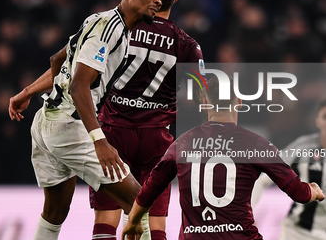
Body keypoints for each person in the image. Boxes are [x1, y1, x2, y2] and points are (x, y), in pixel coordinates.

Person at [8, 0, 162, 239]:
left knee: (54, 212)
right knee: (138, 202)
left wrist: (27, 91)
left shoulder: (98, 20)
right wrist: (99, 140)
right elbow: (79, 85)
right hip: (70, 127)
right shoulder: (111, 29)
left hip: (46, 121)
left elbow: (59, 60)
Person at [121, 75, 325, 240]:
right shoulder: (254, 143)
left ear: (204, 103)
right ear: (239, 102)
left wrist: (134, 219)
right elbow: (298, 193)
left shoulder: (183, 143)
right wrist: (313, 191)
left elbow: (151, 187)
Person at [89, 0, 204, 239]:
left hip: (114, 133)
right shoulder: (188, 44)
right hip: (157, 138)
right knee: (155, 220)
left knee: (107, 216)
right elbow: (201, 96)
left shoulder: (123, 27)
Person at [252, 98, 326, 240]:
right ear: (317, 121)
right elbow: (263, 180)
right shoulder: (304, 148)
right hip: (299, 233)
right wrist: (248, 214)